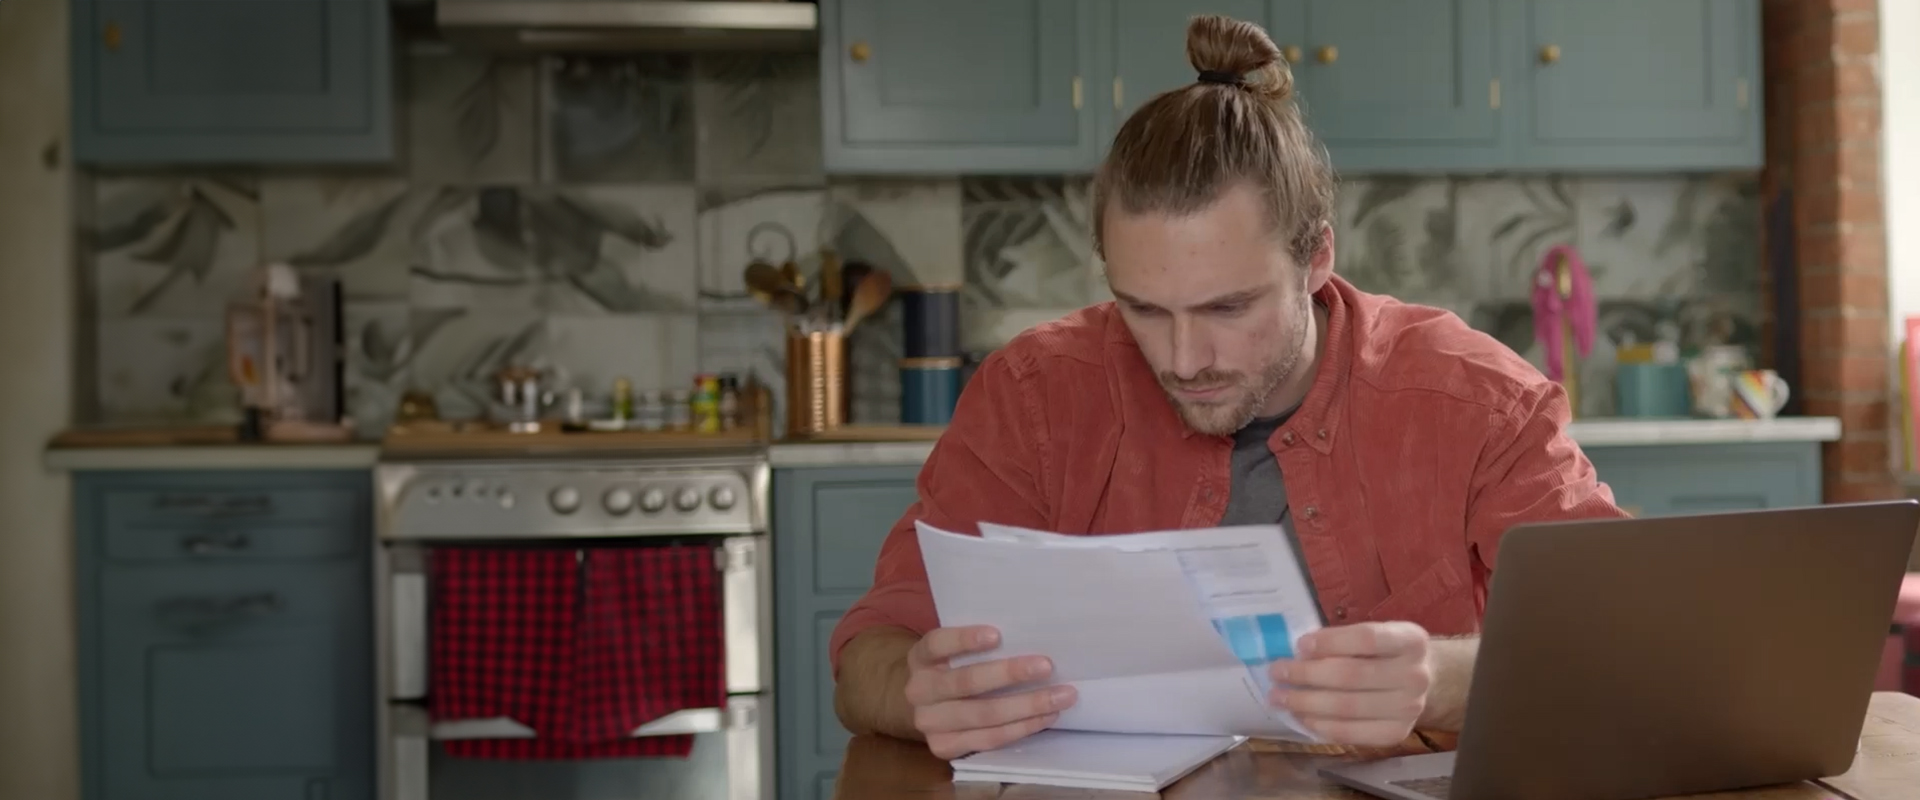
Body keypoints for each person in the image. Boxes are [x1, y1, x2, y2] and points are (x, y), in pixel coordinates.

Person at [829, 14, 1630, 760]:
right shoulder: (1034, 394)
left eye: (1227, 307)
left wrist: (1444, 680)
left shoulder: (1477, 399)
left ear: (1316, 259)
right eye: (1144, 308)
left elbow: (1626, 643)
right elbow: (870, 652)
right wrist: (918, 690)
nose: (1183, 358)